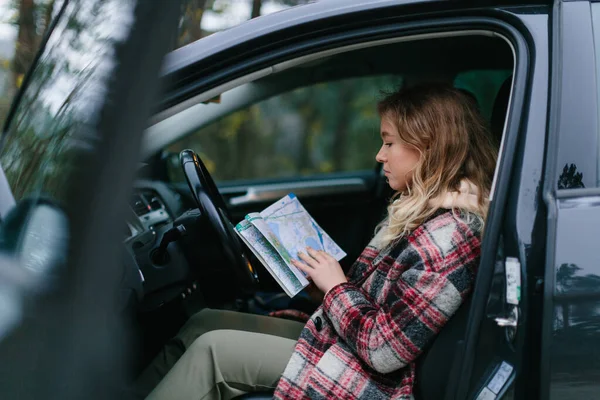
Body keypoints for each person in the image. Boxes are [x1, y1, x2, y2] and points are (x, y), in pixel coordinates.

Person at [138, 83, 498, 400]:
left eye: (389, 143)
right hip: (344, 344)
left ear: (429, 149)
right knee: (205, 322)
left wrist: (336, 287)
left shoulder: (449, 238)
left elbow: (385, 351)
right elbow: (378, 306)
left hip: (371, 379)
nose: (380, 155)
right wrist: (321, 289)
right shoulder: (422, 212)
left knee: (213, 351)